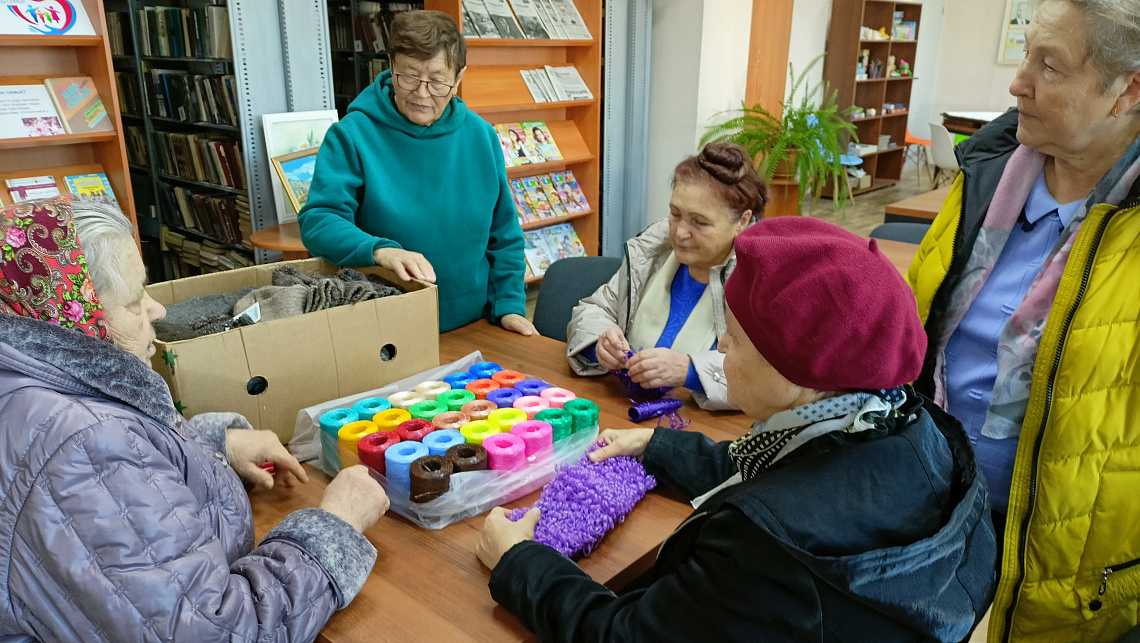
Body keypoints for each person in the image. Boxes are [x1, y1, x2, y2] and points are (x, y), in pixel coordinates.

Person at [479, 217, 997, 641]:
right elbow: (788, 473)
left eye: (737, 338)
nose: (721, 348)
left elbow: (624, 636)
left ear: (802, 372)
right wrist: (655, 442)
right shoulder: (905, 423)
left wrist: (520, 562)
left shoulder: (761, 543)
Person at [0, 198, 390, 641]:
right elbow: (217, 632)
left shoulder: (25, 376)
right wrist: (337, 525)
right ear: (74, 317)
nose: (157, 311)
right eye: (132, 301)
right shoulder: (85, 448)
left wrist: (211, 447)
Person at [906, 1, 1140, 640]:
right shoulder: (985, 172)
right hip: (927, 509)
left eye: (1050, 65)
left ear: (1127, 91)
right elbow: (917, 332)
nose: (1017, 83)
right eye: (1025, 54)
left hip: (1064, 564)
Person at [299, 10, 533, 335]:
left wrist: (509, 305)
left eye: (438, 81)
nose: (422, 94)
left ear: (459, 77)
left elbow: (504, 232)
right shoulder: (352, 135)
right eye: (408, 77)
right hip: (384, 327)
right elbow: (319, 221)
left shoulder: (481, 136)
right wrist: (379, 250)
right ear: (390, 66)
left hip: (472, 322)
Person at [565, 143, 764, 410]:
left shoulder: (759, 280)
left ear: (742, 221)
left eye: (700, 222)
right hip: (624, 412)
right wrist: (599, 343)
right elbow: (593, 309)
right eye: (675, 214)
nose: (680, 233)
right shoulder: (651, 253)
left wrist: (689, 371)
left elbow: (767, 373)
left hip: (706, 437)